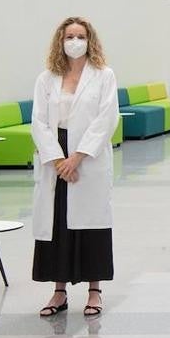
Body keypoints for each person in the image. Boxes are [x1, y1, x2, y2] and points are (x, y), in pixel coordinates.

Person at [32, 17, 118, 318]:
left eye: (80, 36)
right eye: (69, 36)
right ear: (61, 40)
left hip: (86, 157)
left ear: (90, 40)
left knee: (91, 223)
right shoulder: (47, 78)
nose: (75, 41)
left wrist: (76, 158)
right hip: (55, 157)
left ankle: (95, 291)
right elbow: (38, 122)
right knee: (57, 223)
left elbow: (107, 118)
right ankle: (59, 290)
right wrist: (58, 160)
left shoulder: (104, 75)